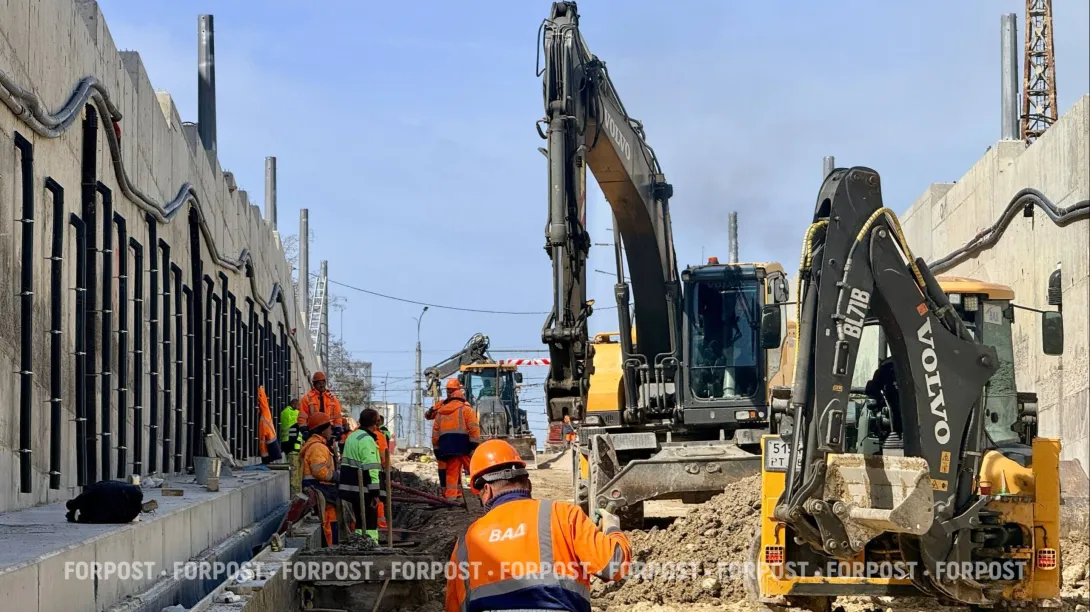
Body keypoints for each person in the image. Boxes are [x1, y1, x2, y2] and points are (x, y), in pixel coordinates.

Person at [445, 440, 631, 612]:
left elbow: (453, 607)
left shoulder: (466, 541)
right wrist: (612, 527)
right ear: (528, 484)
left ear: (487, 490)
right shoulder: (563, 514)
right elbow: (614, 566)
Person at [300, 411, 350, 546]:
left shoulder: (319, 445)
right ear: (322, 430)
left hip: (324, 491)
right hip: (321, 490)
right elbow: (319, 471)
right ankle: (330, 548)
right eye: (329, 428)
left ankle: (332, 546)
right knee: (328, 524)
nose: (331, 430)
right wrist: (337, 476)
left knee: (331, 522)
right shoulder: (318, 447)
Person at [431, 378, 481, 501]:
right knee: (474, 469)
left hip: (447, 447)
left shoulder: (440, 412)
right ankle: (482, 492)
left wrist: (436, 449)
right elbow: (474, 429)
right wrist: (474, 446)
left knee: (451, 472)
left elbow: (435, 433)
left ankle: (451, 498)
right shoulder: (467, 409)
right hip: (464, 446)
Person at [340, 408, 383, 543]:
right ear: (375, 423)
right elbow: (371, 467)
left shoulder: (352, 436)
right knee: (369, 520)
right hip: (364, 488)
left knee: (360, 519)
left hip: (352, 487)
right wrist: (375, 491)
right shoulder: (366, 440)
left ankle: (359, 542)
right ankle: (371, 544)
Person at [296, 371, 346, 447]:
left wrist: (338, 429)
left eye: (323, 382)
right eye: (319, 383)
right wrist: (304, 430)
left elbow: (337, 417)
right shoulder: (306, 399)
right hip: (313, 431)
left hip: (329, 431)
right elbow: (302, 417)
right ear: (314, 384)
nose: (322, 385)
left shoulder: (333, 399)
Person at [280, 398, 303, 493]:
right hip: (294, 444)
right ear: (294, 404)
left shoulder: (283, 412)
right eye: (298, 405)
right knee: (295, 469)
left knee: (289, 466)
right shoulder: (295, 413)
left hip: (285, 443)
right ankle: (295, 491)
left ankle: (291, 488)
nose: (299, 407)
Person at [257, 386, 283, 465]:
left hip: (269, 437)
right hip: (270, 438)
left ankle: (266, 460)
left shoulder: (265, 412)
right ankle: (266, 460)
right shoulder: (264, 414)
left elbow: (263, 402)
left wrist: (260, 391)